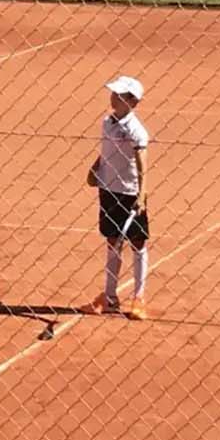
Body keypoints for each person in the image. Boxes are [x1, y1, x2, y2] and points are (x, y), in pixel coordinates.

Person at [77, 76, 152, 321]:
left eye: (119, 95)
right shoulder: (107, 122)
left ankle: (139, 298)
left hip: (130, 192)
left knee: (137, 243)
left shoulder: (136, 130)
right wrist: (95, 168)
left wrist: (141, 194)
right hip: (108, 189)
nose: (113, 97)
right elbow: (106, 150)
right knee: (112, 242)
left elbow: (142, 164)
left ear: (133, 102)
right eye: (113, 93)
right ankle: (110, 297)